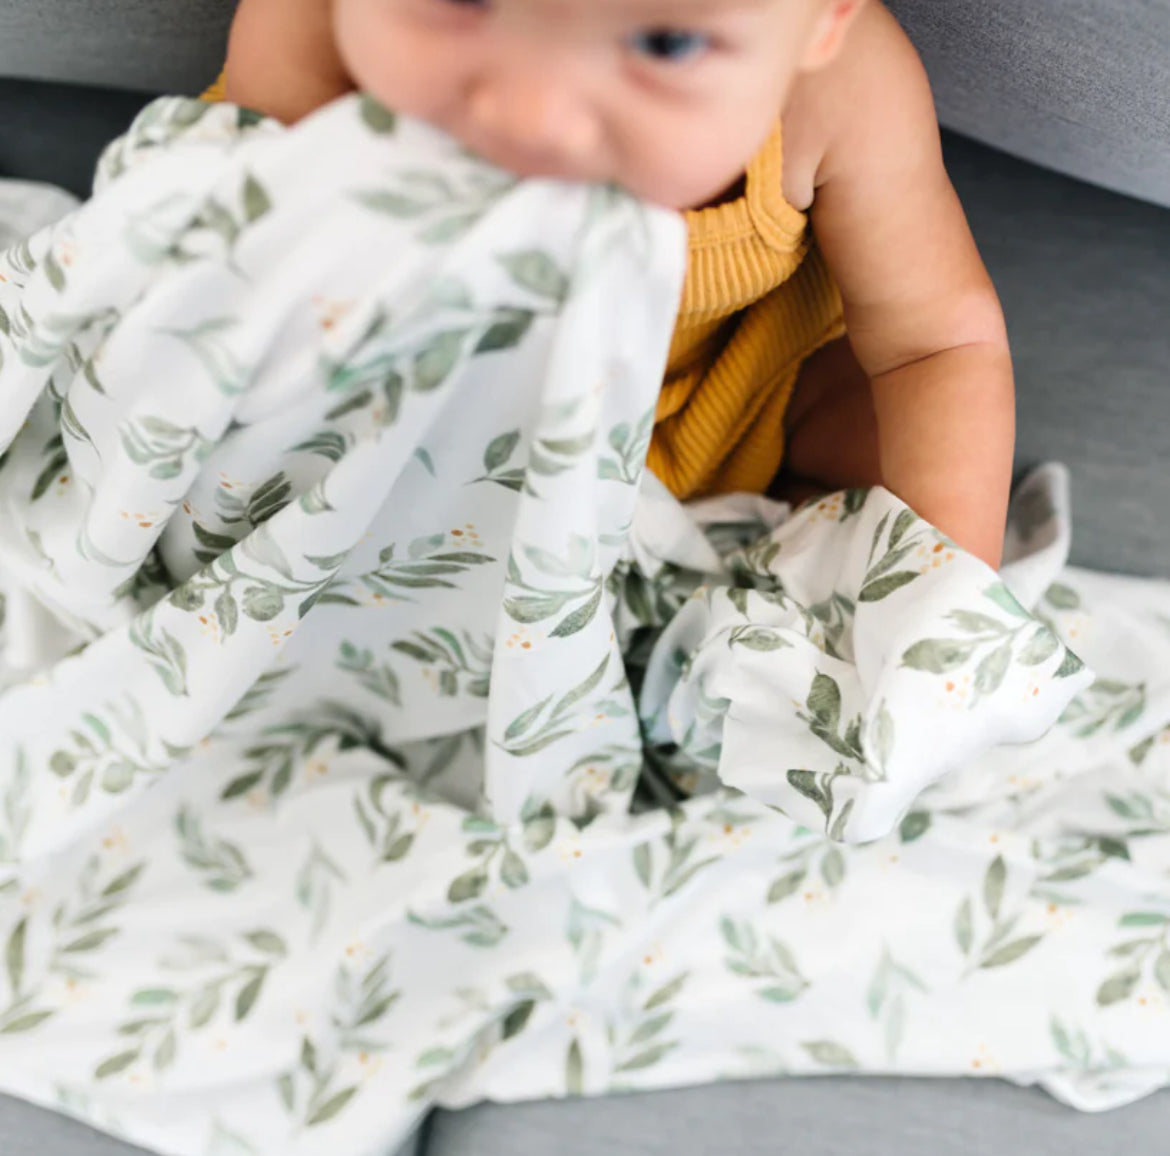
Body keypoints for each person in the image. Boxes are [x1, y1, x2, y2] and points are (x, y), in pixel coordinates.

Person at [213, 0, 1014, 567]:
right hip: (408, 399)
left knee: (910, 452)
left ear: (820, 22)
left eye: (665, 42)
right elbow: (249, 274)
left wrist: (944, 599)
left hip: (721, 420)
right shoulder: (310, 21)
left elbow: (934, 341)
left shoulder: (845, 91)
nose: (530, 116)